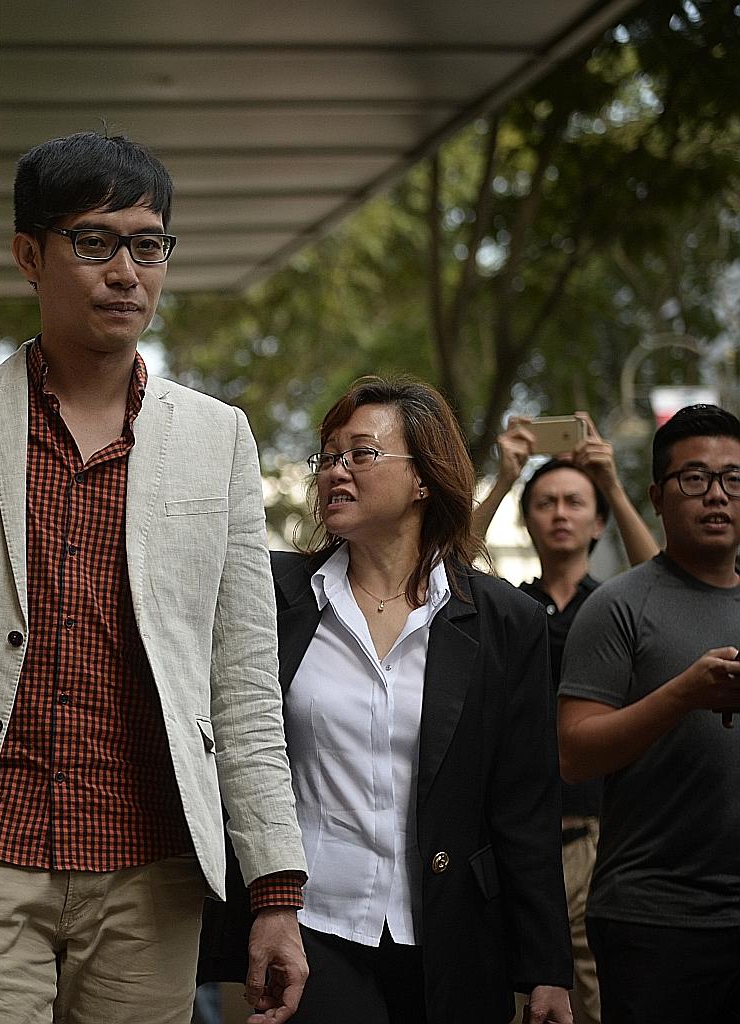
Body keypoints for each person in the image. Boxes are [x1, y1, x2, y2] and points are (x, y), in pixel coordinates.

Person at [0, 130, 308, 1024]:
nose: (127, 270)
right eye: (95, 241)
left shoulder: (216, 438)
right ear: (29, 256)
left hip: (152, 864)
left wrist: (275, 888)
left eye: (148, 244)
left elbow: (240, 678)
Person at [274, 375, 572, 1023]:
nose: (335, 472)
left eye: (361, 453)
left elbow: (525, 804)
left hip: (457, 936)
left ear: (424, 479)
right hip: (311, 930)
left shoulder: (505, 621)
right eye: (326, 457)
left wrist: (548, 967)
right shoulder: (278, 599)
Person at [473, 415, 659, 1024]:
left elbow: (667, 591)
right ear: (527, 519)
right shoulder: (509, 606)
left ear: (598, 520)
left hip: (595, 829)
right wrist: (503, 478)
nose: (560, 513)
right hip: (511, 829)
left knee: (590, 990)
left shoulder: (620, 610)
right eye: (545, 502)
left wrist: (612, 481)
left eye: (576, 502)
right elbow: (442, 569)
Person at [558, 403, 740, 1024]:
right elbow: (575, 753)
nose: (717, 495)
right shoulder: (618, 607)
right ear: (658, 497)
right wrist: (684, 694)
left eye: (733, 479)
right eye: (695, 478)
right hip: (652, 917)